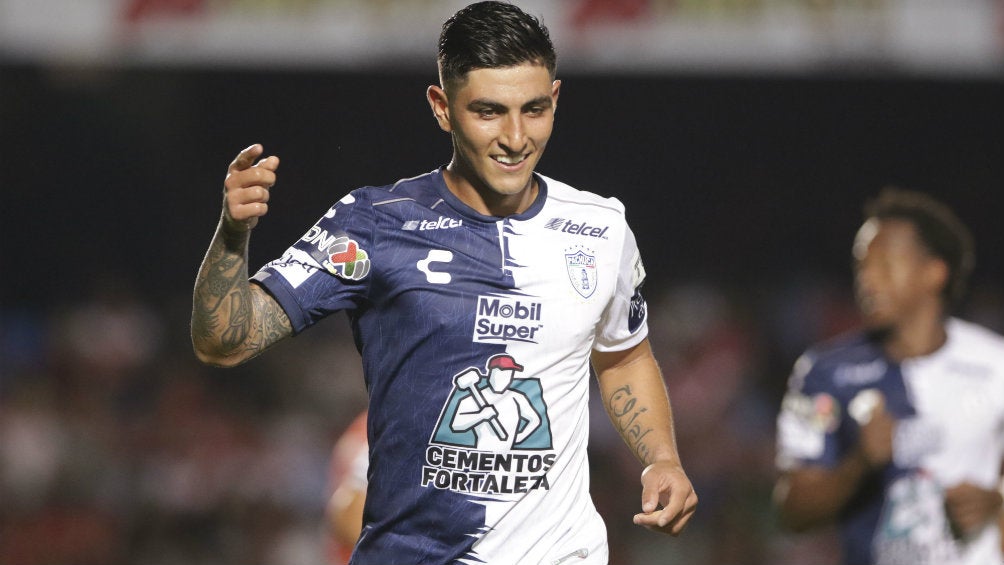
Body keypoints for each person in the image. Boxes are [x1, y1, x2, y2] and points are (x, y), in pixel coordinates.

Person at [191, 2, 697, 563]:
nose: (515, 137)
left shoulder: (601, 228)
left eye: (533, 110)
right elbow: (224, 342)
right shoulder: (374, 224)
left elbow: (623, 354)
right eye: (489, 112)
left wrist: (662, 459)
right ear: (442, 107)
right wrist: (233, 236)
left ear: (555, 99)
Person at [773, 187, 1004, 565]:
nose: (867, 280)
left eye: (885, 263)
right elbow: (791, 511)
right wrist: (859, 463)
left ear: (934, 272)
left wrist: (997, 499)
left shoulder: (995, 364)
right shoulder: (824, 374)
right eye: (861, 266)